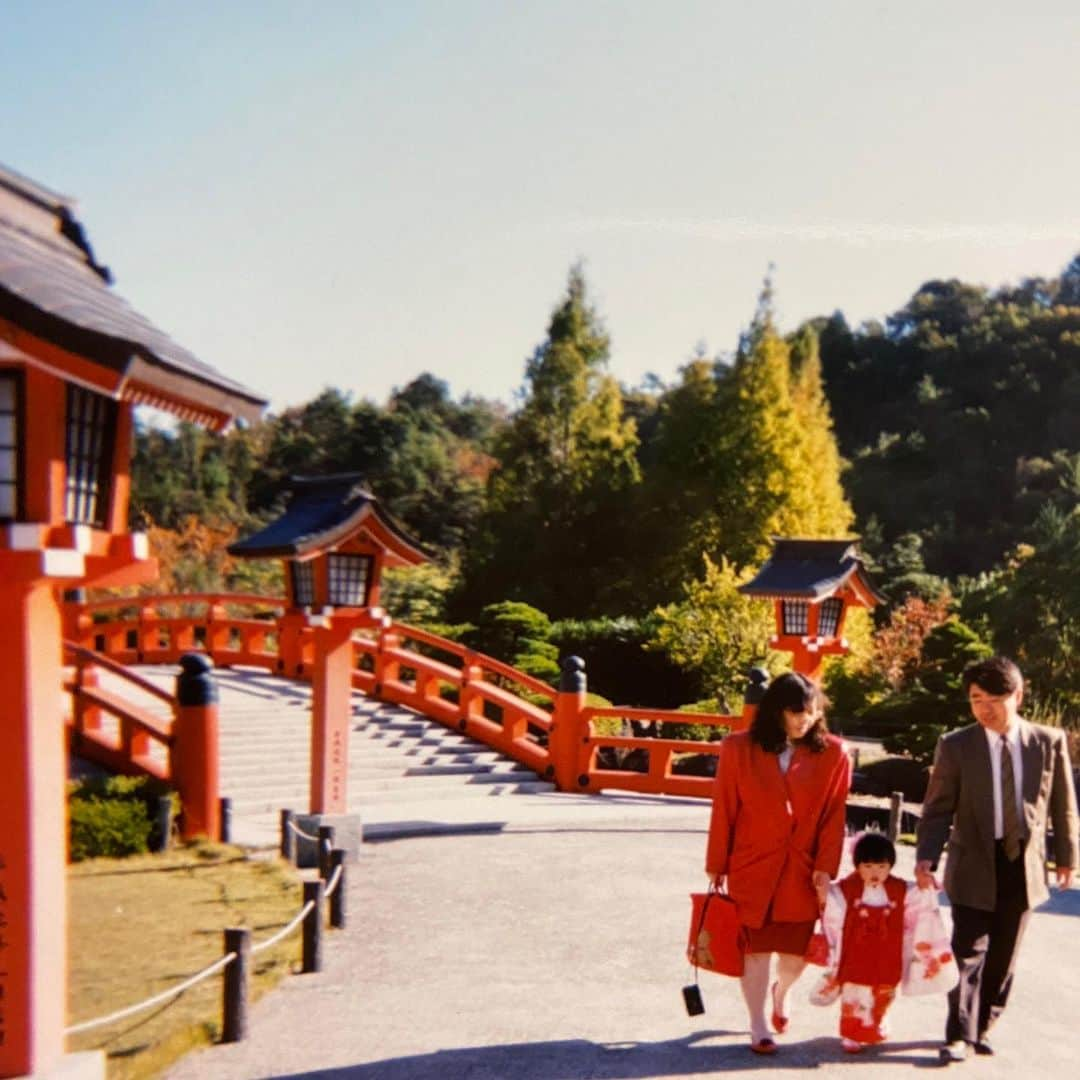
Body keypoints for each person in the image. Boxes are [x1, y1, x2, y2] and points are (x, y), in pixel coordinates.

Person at [915, 655, 1079, 1064]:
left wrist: (1067, 856)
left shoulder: (1048, 741)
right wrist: (926, 858)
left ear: (1018, 695)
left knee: (1003, 956)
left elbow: (1063, 804)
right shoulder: (956, 746)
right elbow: (937, 808)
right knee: (966, 951)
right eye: (975, 699)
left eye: (994, 699)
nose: (984, 708)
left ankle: (982, 1026)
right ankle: (958, 1034)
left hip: (1022, 864)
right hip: (973, 860)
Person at [705, 671, 851, 1055]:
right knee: (754, 948)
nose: (805, 719)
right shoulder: (738, 748)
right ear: (776, 712)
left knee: (795, 955)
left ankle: (781, 991)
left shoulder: (835, 753)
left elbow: (834, 816)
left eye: (811, 711)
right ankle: (757, 1023)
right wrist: (717, 862)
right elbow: (724, 808)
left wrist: (825, 867)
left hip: (802, 869)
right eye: (796, 712)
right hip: (751, 863)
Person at [818, 831, 941, 1054]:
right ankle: (851, 1032)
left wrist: (924, 886)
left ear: (890, 866)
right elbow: (832, 903)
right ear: (857, 865)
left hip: (887, 952)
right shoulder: (847, 888)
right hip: (856, 952)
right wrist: (823, 893)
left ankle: (876, 1022)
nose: (875, 873)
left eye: (882, 867)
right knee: (854, 992)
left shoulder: (900, 889)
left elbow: (917, 900)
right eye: (868, 866)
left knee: (884, 991)